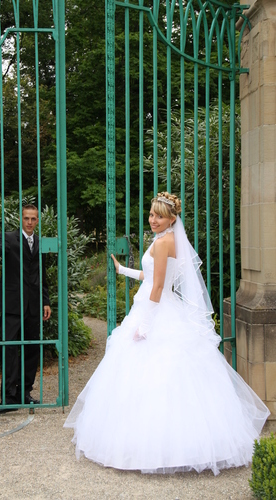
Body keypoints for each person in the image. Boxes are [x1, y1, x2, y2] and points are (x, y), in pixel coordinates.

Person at [64, 191, 270, 475]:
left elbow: (159, 287)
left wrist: (145, 325)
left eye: (159, 216)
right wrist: (123, 269)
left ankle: (153, 446)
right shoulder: (165, 241)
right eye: (151, 215)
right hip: (158, 307)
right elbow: (152, 278)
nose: (153, 220)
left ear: (172, 218)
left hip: (155, 311)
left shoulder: (164, 243)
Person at [0, 204, 51, 414]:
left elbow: (42, 275)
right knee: (10, 350)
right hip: (13, 305)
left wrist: (45, 301)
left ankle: (25, 393)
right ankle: (9, 399)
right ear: (21, 219)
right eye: (26, 218)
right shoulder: (9, 238)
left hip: (34, 306)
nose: (29, 222)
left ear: (37, 221)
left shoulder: (39, 242)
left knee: (31, 350)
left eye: (33, 219)